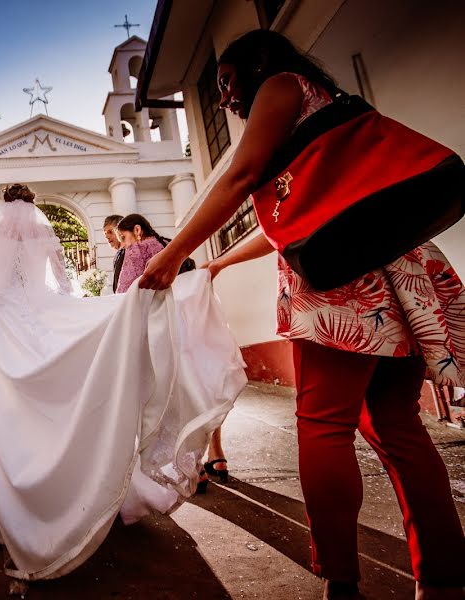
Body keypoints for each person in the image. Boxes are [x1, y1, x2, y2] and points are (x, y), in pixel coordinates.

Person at [138, 29, 465, 600]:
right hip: (400, 284)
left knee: (323, 426)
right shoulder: (326, 118)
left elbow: (239, 179)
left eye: (226, 81)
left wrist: (174, 252)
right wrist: (215, 266)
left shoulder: (284, 86)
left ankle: (341, 581)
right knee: (399, 428)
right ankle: (443, 578)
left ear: (257, 65)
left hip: (343, 292)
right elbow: (281, 232)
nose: (224, 99)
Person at [0, 183, 247, 580]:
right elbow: (59, 281)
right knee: (36, 406)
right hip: (32, 316)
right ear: (32, 204)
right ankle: (55, 500)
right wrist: (65, 314)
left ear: (3, 204)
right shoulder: (40, 231)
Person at [115, 214, 195, 294]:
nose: (123, 245)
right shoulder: (166, 243)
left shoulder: (136, 250)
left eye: (123, 237)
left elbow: (124, 290)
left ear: (137, 230)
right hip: (182, 296)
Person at [103, 214, 125, 293]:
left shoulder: (128, 252)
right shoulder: (119, 254)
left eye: (110, 232)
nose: (107, 236)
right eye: (105, 233)